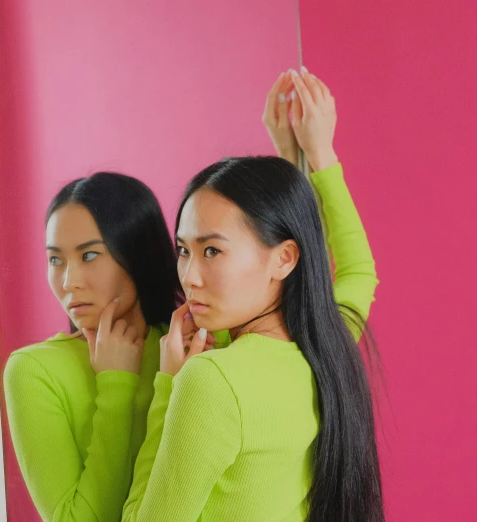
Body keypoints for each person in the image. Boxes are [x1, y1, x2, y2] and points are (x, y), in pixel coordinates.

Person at [122, 68, 384, 521]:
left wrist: (168, 384)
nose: (190, 276)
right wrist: (315, 155)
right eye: (183, 250)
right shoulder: (327, 347)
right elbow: (359, 271)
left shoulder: (209, 381)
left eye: (212, 250)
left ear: (284, 259)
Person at [3, 173, 216, 522]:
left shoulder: (188, 348)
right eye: (56, 259)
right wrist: (116, 386)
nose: (69, 282)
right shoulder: (33, 369)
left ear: (137, 254)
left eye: (89, 256)